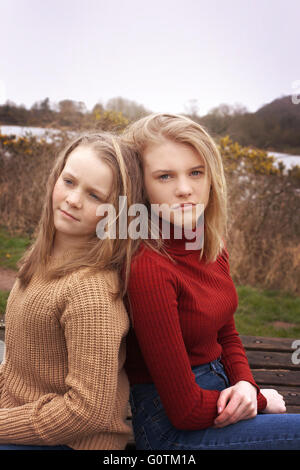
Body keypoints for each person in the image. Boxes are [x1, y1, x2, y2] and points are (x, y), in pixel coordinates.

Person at [122, 113, 300, 450]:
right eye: (164, 176)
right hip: (171, 431)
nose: (185, 189)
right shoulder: (148, 267)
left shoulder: (207, 243)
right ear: (139, 186)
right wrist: (261, 402)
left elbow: (227, 333)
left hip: (221, 395)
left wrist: (247, 386)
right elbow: (184, 411)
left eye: (195, 172)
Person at [0, 132, 143, 450]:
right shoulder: (42, 262)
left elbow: (87, 412)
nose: (74, 199)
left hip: (73, 443)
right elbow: (18, 370)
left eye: (95, 196)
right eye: (69, 181)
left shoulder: (91, 294)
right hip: (27, 424)